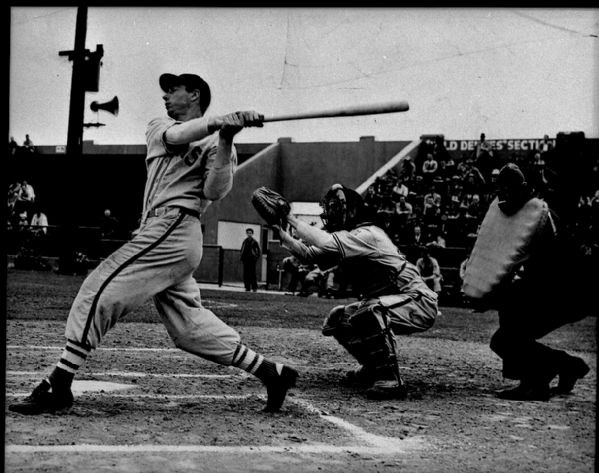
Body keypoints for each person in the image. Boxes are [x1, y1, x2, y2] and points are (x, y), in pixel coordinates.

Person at [9, 72, 298, 416]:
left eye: (173, 89)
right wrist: (218, 123)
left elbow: (214, 191)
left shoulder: (217, 142)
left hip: (176, 226)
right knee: (188, 328)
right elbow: (178, 136)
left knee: (98, 289)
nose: (165, 95)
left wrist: (226, 139)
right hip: (162, 229)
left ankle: (60, 381)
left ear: (194, 94)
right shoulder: (160, 125)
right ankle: (271, 372)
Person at [275, 183, 439, 400]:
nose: (330, 214)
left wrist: (291, 218)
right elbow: (308, 254)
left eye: (335, 208)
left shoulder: (367, 234)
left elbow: (323, 241)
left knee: (370, 311)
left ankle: (391, 380)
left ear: (350, 210)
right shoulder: (348, 238)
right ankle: (372, 367)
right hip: (391, 301)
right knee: (339, 318)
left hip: (417, 301)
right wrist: (280, 232)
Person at [465, 163, 593, 401]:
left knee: (507, 339)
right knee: (510, 332)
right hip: (552, 286)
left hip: (567, 289)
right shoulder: (520, 218)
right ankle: (568, 366)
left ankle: (536, 382)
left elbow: (548, 271)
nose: (503, 194)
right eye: (500, 188)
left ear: (524, 188)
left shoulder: (539, 217)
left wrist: (493, 296)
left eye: (508, 188)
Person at [240, 228, 261, 292]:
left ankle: (254, 287)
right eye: (248, 233)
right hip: (245, 259)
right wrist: (242, 257)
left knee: (252, 273)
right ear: (246, 233)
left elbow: (258, 251)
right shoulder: (245, 241)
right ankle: (247, 287)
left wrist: (256, 257)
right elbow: (242, 249)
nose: (249, 234)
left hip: (252, 260)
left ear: (252, 234)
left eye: (250, 233)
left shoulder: (254, 242)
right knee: (246, 274)